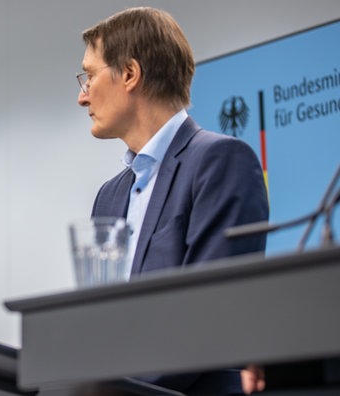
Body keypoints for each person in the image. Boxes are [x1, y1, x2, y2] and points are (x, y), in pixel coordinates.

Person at [77, 7, 268, 395]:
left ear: (129, 74)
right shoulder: (109, 196)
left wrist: (107, 388)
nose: (82, 97)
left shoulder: (221, 161)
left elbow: (211, 315)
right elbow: (100, 322)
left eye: (90, 76)